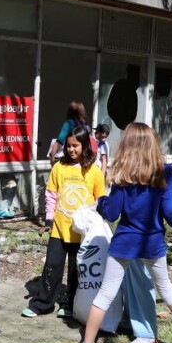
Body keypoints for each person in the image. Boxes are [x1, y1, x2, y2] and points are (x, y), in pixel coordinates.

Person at [75, 123, 172, 343]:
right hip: (153, 244)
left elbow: (112, 213)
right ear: (153, 145)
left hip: (124, 244)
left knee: (104, 294)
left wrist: (102, 200)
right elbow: (169, 210)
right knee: (167, 290)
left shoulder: (122, 176)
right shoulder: (165, 173)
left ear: (127, 146)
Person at [23, 125, 106, 318]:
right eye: (68, 146)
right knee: (52, 266)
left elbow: (100, 199)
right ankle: (42, 304)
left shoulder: (93, 171)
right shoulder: (59, 168)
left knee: (76, 270)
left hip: (82, 233)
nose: (71, 149)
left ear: (85, 145)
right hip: (59, 230)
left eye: (75, 145)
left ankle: (69, 304)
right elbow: (51, 195)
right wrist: (50, 219)